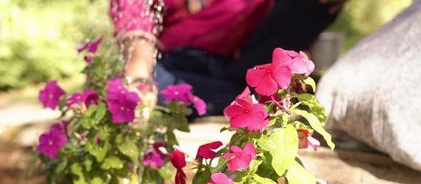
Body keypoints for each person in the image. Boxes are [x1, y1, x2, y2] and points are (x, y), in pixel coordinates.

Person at [110, 0, 346, 116]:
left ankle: (251, 94)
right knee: (153, 87)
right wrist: (139, 68)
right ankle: (246, 98)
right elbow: (134, 8)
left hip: (235, 64)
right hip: (173, 62)